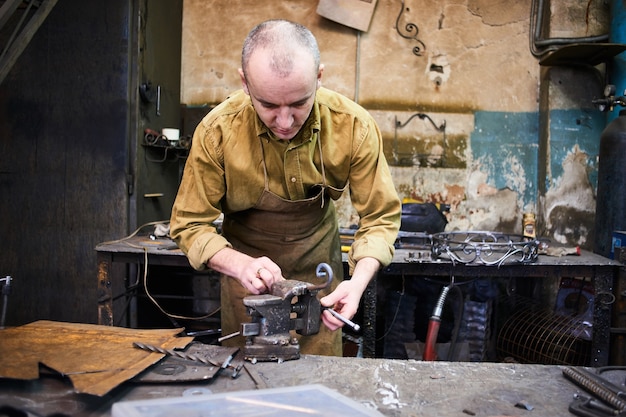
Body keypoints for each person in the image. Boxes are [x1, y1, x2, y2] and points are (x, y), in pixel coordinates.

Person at [170, 19, 401, 356]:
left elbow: (380, 218)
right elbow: (189, 224)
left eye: (298, 104)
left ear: (319, 77)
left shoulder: (354, 127)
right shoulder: (217, 132)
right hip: (247, 282)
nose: (284, 122)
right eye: (268, 105)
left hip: (319, 277)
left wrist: (358, 282)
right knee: (249, 382)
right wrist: (240, 266)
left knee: (316, 389)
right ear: (245, 83)